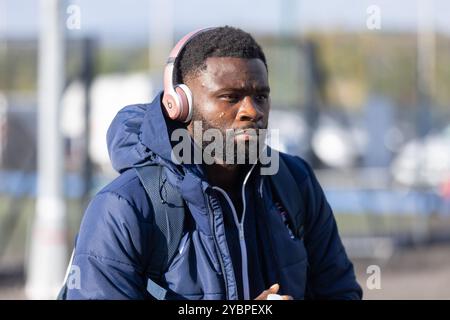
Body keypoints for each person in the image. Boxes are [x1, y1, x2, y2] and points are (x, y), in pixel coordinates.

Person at [64, 26, 362, 300]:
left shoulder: (294, 181)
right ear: (180, 106)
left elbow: (340, 292)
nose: (251, 111)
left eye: (261, 96)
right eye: (230, 97)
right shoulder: (124, 205)